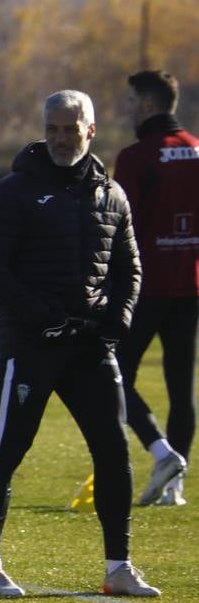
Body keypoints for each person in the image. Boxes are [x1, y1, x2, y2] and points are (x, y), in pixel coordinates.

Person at [0, 89, 159, 597]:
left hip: (91, 346)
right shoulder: (12, 191)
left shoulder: (111, 194)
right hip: (30, 345)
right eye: (51, 128)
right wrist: (41, 315)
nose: (58, 138)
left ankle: (118, 567)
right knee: (8, 450)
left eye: (69, 129)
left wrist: (117, 319)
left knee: (114, 451)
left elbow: (129, 268)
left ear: (90, 131)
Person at [113, 70, 194, 507]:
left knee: (114, 373)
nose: (128, 109)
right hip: (190, 287)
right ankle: (175, 487)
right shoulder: (198, 150)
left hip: (146, 288)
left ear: (146, 104)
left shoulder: (137, 157)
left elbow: (119, 228)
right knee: (182, 386)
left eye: (130, 102)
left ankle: (162, 453)